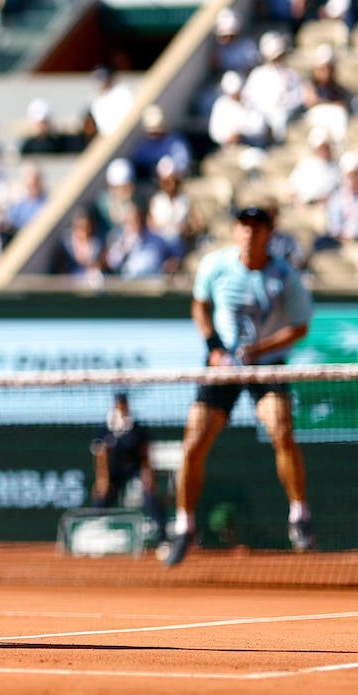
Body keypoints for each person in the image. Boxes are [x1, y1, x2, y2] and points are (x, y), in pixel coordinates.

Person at [163, 203, 314, 567]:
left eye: (257, 227)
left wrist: (259, 349)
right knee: (194, 442)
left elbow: (299, 327)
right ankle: (184, 524)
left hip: (266, 367)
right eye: (244, 226)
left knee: (281, 429)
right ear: (235, 231)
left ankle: (299, 513)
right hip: (222, 366)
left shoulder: (284, 276)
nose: (250, 233)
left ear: (268, 234)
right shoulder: (215, 265)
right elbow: (199, 306)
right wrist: (214, 346)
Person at [90, 391, 165, 539]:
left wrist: (147, 474)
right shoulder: (105, 427)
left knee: (150, 496)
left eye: (124, 403)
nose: (122, 406)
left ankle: (162, 536)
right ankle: (94, 530)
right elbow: (100, 454)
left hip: (135, 468)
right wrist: (102, 479)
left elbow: (145, 453)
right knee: (102, 496)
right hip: (114, 470)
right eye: (119, 403)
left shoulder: (137, 427)